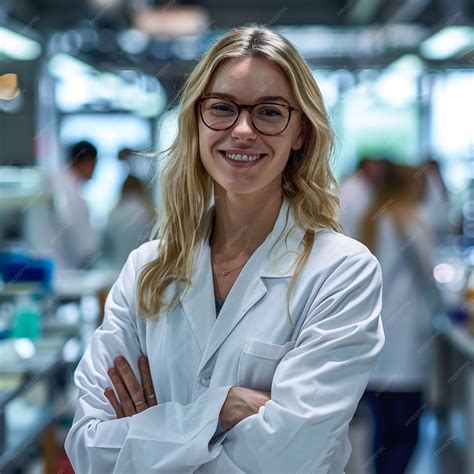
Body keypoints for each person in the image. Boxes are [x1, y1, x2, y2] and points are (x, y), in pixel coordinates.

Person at [65, 25, 384, 473]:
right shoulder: (145, 271)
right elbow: (88, 446)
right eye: (222, 108)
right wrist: (221, 409)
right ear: (196, 123)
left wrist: (151, 437)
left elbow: (290, 458)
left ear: (300, 133)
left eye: (270, 113)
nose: (243, 130)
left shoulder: (342, 272)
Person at [359, 163, 438, 474]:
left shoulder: (370, 218)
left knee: (382, 427)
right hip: (404, 343)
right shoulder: (412, 219)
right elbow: (430, 277)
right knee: (407, 430)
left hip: (375, 340)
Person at [24, 140, 100, 269]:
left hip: (42, 262)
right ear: (89, 162)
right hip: (61, 267)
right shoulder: (67, 189)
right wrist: (89, 251)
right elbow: (73, 227)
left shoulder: (56, 181)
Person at [105, 175, 153, 269]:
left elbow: (107, 247)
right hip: (143, 269)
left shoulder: (114, 213)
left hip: (117, 269)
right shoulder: (149, 213)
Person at [338, 157, 388, 239]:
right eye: (375, 166)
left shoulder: (360, 185)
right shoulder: (354, 189)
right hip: (351, 237)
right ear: (364, 167)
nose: (379, 170)